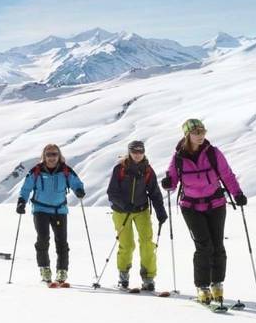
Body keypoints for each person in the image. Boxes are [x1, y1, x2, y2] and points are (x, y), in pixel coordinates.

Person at [161, 119, 247, 304]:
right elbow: (172, 182)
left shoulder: (213, 153)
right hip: (191, 207)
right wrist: (167, 183)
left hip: (216, 204)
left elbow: (227, 175)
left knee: (217, 245)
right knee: (204, 246)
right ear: (187, 135)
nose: (200, 136)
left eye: (203, 132)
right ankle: (202, 286)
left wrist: (237, 194)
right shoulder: (178, 158)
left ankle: (217, 284)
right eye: (196, 133)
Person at [17, 144, 85, 285]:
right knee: (43, 239)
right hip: (40, 210)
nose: (52, 157)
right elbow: (26, 187)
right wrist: (21, 201)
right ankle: (44, 269)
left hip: (59, 210)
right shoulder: (36, 171)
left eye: (54, 154)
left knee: (61, 241)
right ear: (44, 156)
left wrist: (79, 190)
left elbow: (76, 182)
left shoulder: (66, 170)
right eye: (49, 154)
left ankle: (62, 270)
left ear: (59, 155)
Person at [106, 141, 168, 291]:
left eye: (140, 151)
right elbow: (112, 192)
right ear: (129, 152)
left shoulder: (147, 170)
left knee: (147, 243)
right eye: (134, 151)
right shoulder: (120, 169)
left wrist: (160, 211)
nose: (137, 154)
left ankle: (148, 278)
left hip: (141, 210)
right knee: (127, 245)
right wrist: (124, 205)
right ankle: (123, 276)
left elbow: (154, 192)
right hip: (122, 212)